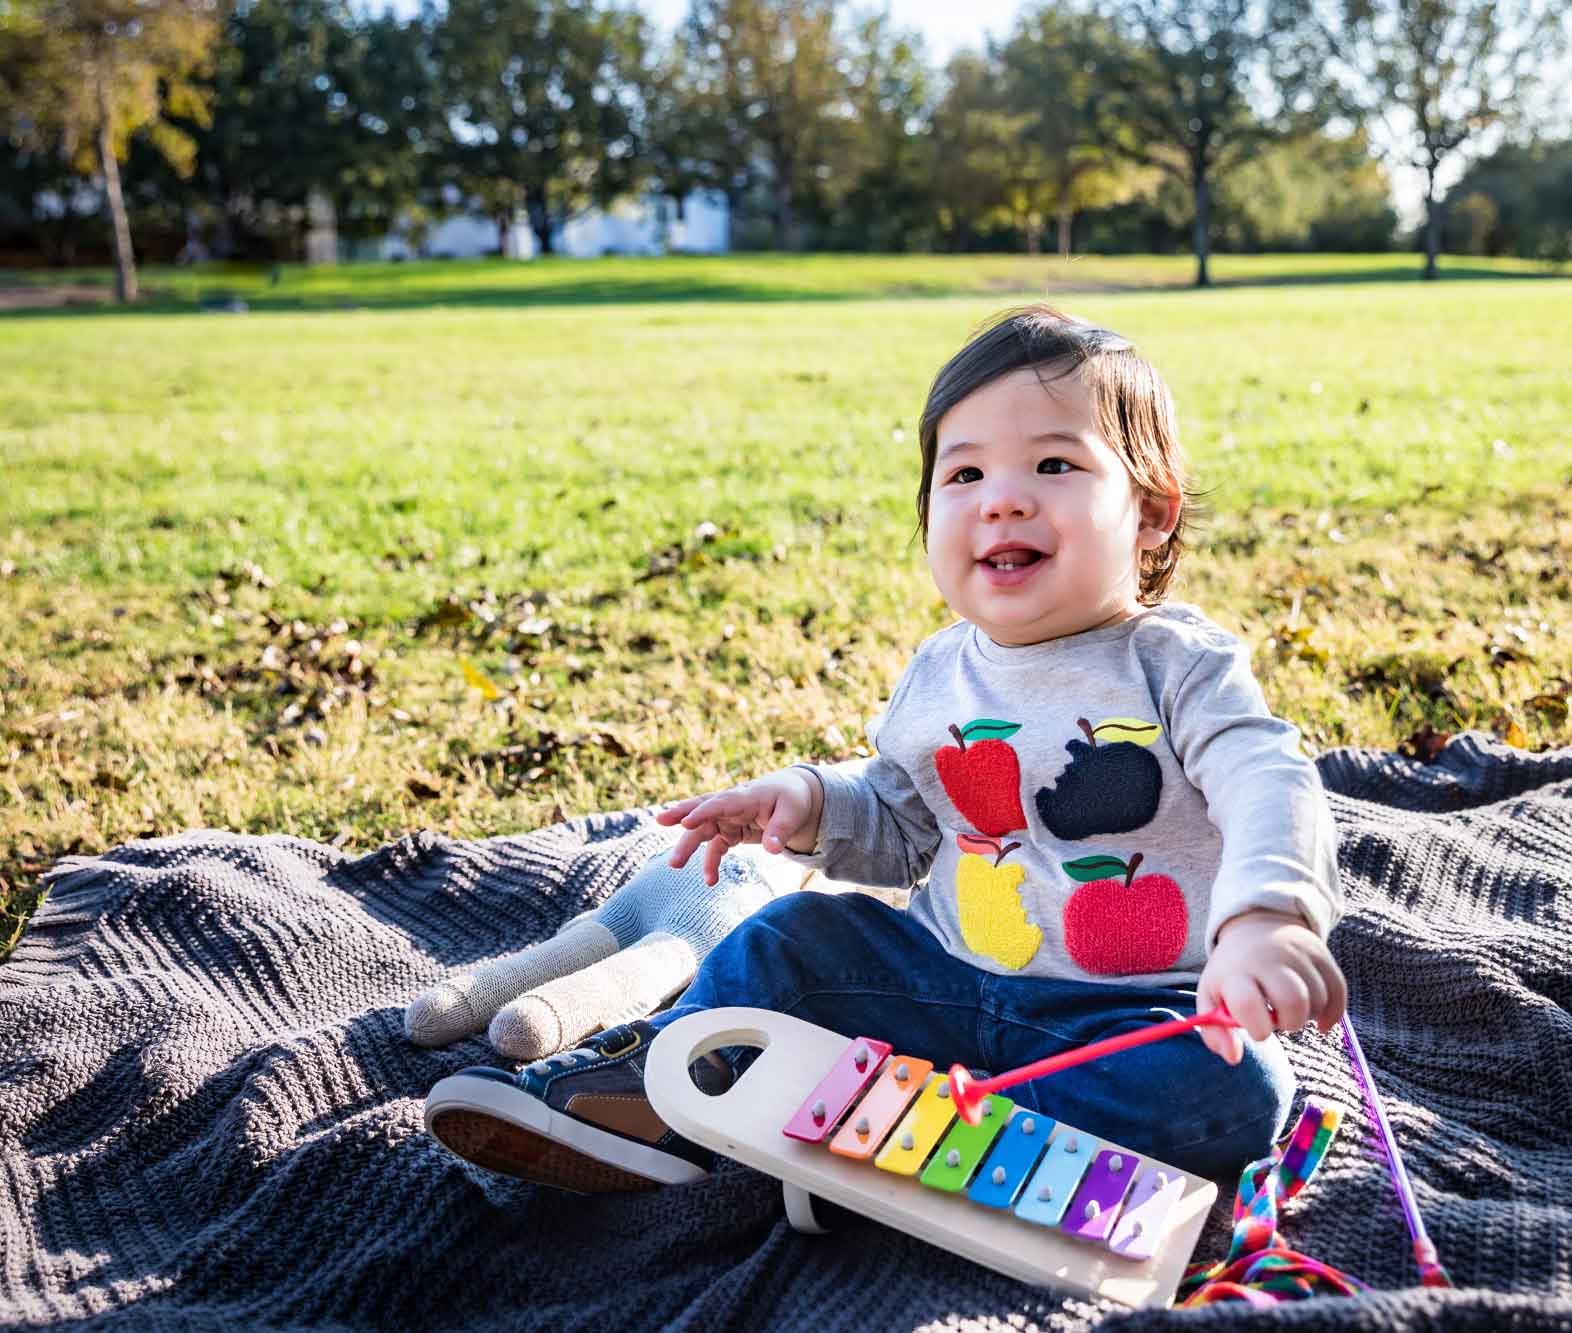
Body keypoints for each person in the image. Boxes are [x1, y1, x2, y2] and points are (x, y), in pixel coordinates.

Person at [423, 305, 1346, 1193]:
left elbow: (1269, 778)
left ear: (1150, 514)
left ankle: (934, 1127)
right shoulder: (938, 673)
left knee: (1235, 1090)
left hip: (1129, 1016)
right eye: (965, 475)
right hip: (941, 985)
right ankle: (644, 1095)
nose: (1004, 501)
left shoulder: (1175, 663)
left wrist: (1264, 920)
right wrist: (815, 806)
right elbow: (905, 827)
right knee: (789, 937)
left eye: (1055, 463)